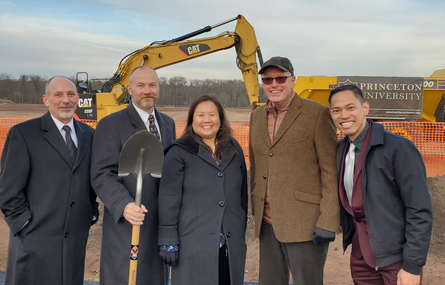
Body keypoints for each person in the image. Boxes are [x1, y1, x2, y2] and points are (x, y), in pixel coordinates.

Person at [0, 76, 99, 285]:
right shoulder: (24, 134)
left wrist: (90, 212)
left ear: (78, 98)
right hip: (35, 238)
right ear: (46, 99)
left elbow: (90, 180)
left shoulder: (89, 134)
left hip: (75, 239)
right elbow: (7, 192)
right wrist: (24, 225)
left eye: (71, 94)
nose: (65, 100)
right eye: (58, 94)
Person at [328, 84, 433, 285]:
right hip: (361, 255)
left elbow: (419, 209)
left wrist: (412, 265)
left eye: (350, 108)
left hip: (395, 257)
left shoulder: (398, 148)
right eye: (336, 110)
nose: (344, 115)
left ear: (365, 108)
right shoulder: (340, 149)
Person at [249, 56, 340, 284]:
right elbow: (256, 166)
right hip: (268, 221)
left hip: (305, 225)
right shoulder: (256, 117)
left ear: (293, 80)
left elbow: (331, 172)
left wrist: (328, 221)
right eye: (267, 80)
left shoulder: (317, 114)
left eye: (281, 78)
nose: (274, 84)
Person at [91, 66, 176, 285]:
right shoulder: (111, 125)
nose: (147, 91)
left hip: (159, 225)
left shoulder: (168, 123)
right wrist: (124, 205)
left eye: (152, 85)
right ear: (129, 89)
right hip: (128, 224)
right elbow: (102, 173)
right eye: (140, 86)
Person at [158, 95, 248, 285]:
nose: (207, 120)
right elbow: (168, 198)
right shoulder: (178, 152)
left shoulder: (233, 148)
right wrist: (168, 239)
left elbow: (242, 195)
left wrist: (239, 228)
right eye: (200, 115)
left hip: (229, 244)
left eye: (212, 115)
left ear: (220, 119)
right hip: (193, 244)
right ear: (192, 120)